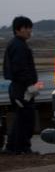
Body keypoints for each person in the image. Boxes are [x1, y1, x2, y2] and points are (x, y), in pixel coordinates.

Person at [4, 16, 42, 155]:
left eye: (30, 27)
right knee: (25, 119)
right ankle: (22, 148)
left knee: (21, 117)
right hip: (21, 89)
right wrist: (30, 85)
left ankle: (13, 148)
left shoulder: (17, 44)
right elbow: (20, 69)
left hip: (20, 89)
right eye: (26, 28)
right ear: (17, 30)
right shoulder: (19, 46)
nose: (29, 31)